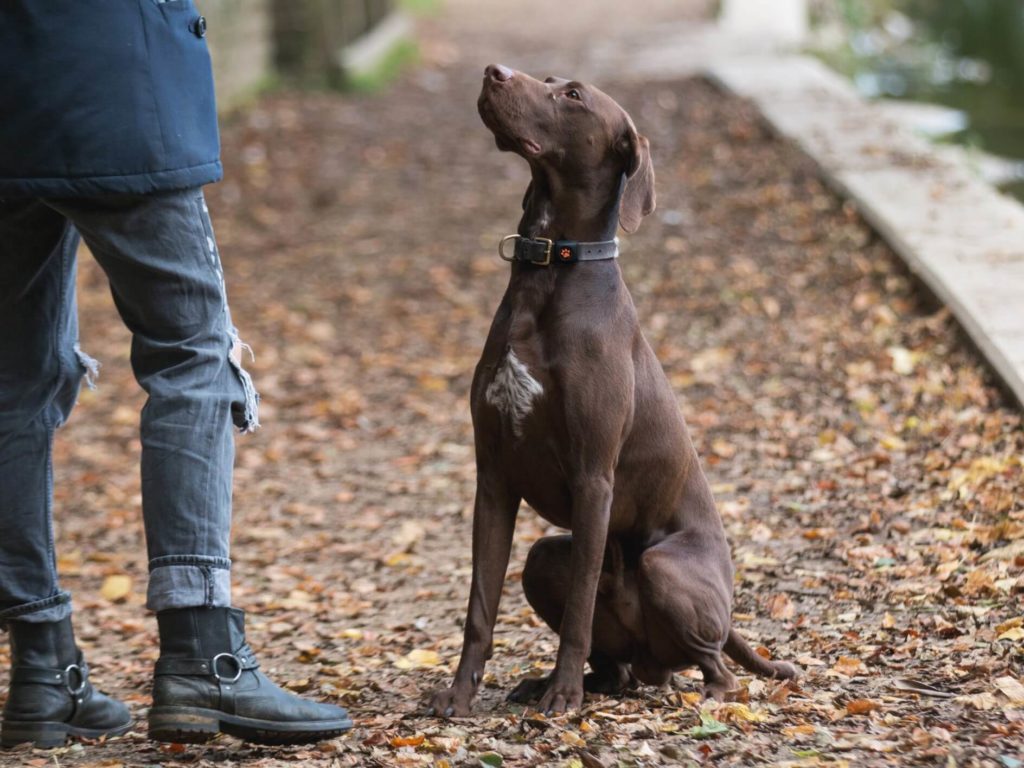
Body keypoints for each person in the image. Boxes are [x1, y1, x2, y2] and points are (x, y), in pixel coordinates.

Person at [0, 1, 352, 748]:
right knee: (192, 352)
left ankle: (42, 665)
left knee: (11, 385)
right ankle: (201, 650)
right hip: (110, 77)